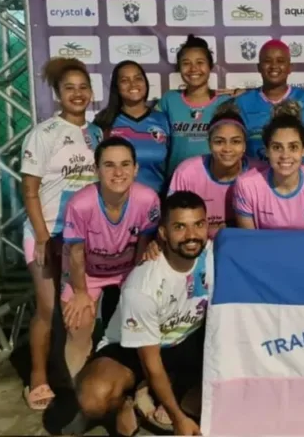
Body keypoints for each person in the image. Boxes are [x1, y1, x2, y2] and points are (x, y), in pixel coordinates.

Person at [65, 191, 212, 437]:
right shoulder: (142, 286)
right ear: (163, 233)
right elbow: (150, 362)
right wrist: (179, 420)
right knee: (94, 399)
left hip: (188, 340)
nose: (191, 236)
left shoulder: (216, 254)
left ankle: (163, 390)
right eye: (179, 227)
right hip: (134, 349)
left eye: (198, 225)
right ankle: (126, 402)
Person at [19, 57, 102, 410]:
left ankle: (75, 375)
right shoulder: (43, 133)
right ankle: (38, 377)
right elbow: (29, 190)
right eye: (69, 88)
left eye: (83, 87)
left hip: (80, 238)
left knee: (79, 311)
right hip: (47, 232)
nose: (77, 94)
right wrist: (41, 236)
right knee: (48, 308)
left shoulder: (98, 132)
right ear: (57, 94)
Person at [60, 137, 160, 380]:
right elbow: (74, 253)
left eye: (125, 164)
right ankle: (78, 392)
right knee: (78, 323)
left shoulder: (148, 199)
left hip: (127, 269)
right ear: (96, 169)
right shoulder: (80, 204)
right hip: (87, 274)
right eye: (109, 165)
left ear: (136, 169)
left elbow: (144, 245)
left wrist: (134, 288)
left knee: (141, 318)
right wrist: (81, 293)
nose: (118, 172)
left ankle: (138, 384)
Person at [233, 101, 304, 230]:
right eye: (277, 147)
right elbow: (249, 242)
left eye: (293, 147)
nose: (285, 155)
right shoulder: (247, 185)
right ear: (266, 150)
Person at [168, 103, 258, 239]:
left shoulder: (259, 172)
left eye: (235, 142)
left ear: (245, 145)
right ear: (209, 144)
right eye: (219, 142)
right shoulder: (186, 172)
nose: (227, 149)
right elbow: (174, 220)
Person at [234, 39, 304, 163]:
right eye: (267, 61)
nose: (274, 66)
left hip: (297, 178)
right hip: (256, 177)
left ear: (290, 68)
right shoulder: (242, 102)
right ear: (259, 67)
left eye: (280, 61)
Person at [156, 35, 232, 176]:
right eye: (186, 63)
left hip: (216, 182)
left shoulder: (226, 102)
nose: (193, 69)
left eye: (200, 62)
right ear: (179, 68)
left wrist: (244, 91)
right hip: (177, 183)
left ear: (211, 66)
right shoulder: (169, 100)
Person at [94, 60, 171, 194]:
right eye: (125, 80)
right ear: (116, 87)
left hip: (157, 203)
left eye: (138, 78)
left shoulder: (162, 120)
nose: (133, 84)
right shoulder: (105, 121)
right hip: (116, 204)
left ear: (145, 82)